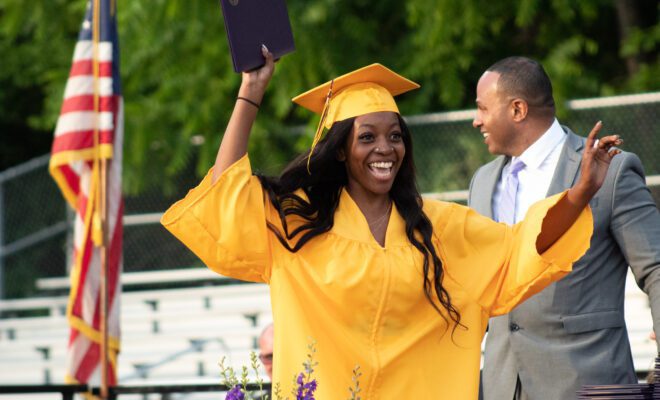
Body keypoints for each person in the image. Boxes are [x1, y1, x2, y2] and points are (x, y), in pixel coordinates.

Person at [162, 47, 619, 399]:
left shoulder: (440, 230)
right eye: (367, 137)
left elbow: (526, 248)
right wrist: (251, 91)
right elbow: (225, 195)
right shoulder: (298, 225)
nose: (385, 148)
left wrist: (579, 194)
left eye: (395, 136)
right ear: (341, 148)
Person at [469, 56, 660, 400]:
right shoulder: (482, 183)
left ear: (517, 110)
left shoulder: (612, 172)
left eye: (482, 108)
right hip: (502, 386)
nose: (475, 120)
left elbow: (656, 266)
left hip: (588, 384)